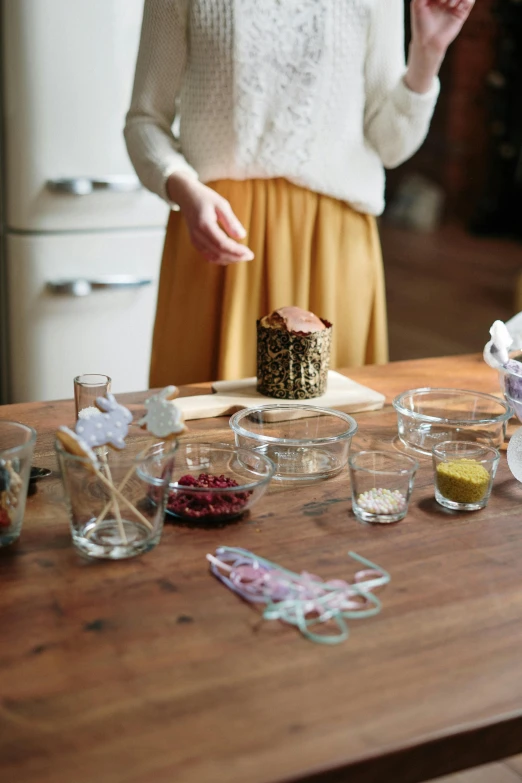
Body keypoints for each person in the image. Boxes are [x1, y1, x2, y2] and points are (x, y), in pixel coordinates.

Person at [125, 0, 474, 387]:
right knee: (206, 437)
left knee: (334, 432)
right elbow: (144, 120)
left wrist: (428, 52)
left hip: (332, 246)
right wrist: (182, 186)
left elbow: (390, 145)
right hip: (218, 242)